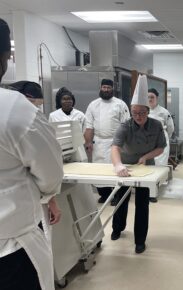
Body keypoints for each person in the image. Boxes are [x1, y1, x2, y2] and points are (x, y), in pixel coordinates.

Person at [0, 18, 64, 290]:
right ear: (5, 57)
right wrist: (49, 195)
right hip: (11, 247)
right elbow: (50, 173)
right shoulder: (13, 110)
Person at [110, 75, 166, 254]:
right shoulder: (125, 125)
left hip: (146, 167)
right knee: (121, 199)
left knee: (142, 203)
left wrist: (146, 157)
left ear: (148, 112)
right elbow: (115, 147)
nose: (138, 117)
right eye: (135, 113)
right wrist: (118, 166)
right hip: (126, 166)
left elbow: (161, 148)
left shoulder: (156, 125)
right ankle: (117, 228)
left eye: (142, 113)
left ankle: (140, 240)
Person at [84, 79, 130, 203]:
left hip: (115, 143)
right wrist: (88, 143)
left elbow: (126, 126)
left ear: (112, 89)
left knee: (115, 169)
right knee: (99, 170)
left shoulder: (120, 104)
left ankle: (116, 195)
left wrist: (125, 144)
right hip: (98, 142)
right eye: (104, 87)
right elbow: (89, 126)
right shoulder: (93, 105)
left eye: (108, 88)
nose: (106, 90)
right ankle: (104, 195)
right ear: (100, 88)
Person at [148, 88, 175, 202]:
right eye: (148, 97)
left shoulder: (164, 112)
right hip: (147, 143)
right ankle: (148, 189)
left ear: (157, 98)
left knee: (159, 166)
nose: (150, 99)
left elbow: (170, 128)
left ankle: (154, 192)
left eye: (152, 97)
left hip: (161, 142)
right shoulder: (144, 111)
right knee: (149, 167)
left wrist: (164, 140)